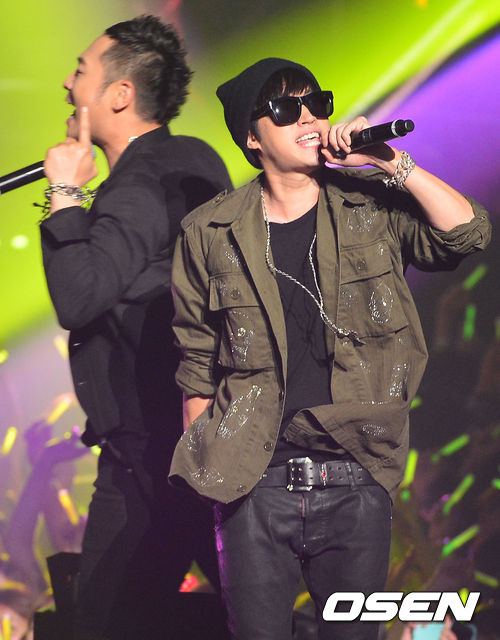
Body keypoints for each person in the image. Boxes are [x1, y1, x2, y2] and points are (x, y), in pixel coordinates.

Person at [169, 58, 491, 640]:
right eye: (286, 109)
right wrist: (208, 468)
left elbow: (467, 233)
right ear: (251, 136)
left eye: (317, 104)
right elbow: (197, 360)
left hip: (355, 469)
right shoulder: (208, 232)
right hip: (253, 479)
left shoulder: (371, 204)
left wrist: (391, 163)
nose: (309, 118)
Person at [40, 15, 232, 640]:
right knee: (242, 614)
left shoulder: (138, 187)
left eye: (79, 71)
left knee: (104, 621)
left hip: (150, 456)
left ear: (119, 94)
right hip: (196, 442)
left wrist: (65, 195)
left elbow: (79, 297)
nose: (67, 84)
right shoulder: (193, 159)